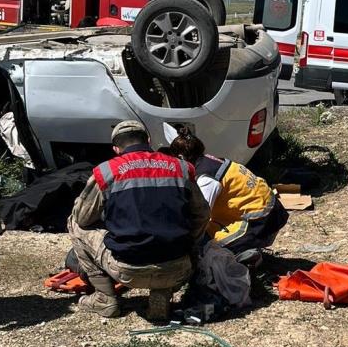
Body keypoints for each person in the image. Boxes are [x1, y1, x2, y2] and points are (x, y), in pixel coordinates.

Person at [67, 120, 210, 322]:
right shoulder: (182, 168)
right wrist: (190, 246)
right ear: (149, 140)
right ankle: (162, 290)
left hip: (127, 269)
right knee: (171, 240)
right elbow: (203, 214)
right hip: (177, 267)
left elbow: (83, 218)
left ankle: (105, 298)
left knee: (74, 223)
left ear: (116, 149)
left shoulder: (107, 171)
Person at [168, 129, 288, 266]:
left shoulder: (206, 178)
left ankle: (246, 253)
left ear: (181, 157)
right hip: (268, 212)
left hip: (262, 222)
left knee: (207, 246)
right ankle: (243, 247)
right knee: (207, 231)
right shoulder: (211, 161)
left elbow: (201, 216)